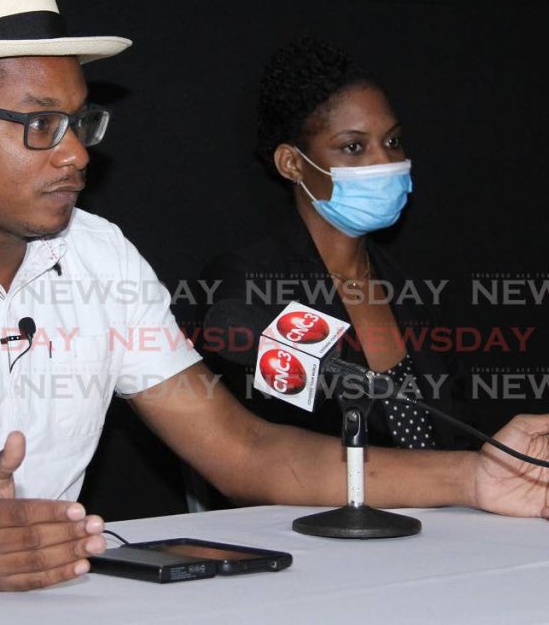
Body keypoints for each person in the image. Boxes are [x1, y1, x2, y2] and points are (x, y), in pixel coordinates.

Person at [0, 0, 549, 592]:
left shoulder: (100, 256)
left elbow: (240, 449)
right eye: (38, 126)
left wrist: (478, 476)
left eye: (81, 121)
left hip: (38, 594)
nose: (77, 152)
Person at [199, 39, 468, 454]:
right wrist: (458, 480)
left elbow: (456, 429)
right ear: (291, 163)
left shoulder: (410, 285)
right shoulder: (247, 286)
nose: (385, 162)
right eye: (354, 147)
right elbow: (278, 450)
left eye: (393, 142)